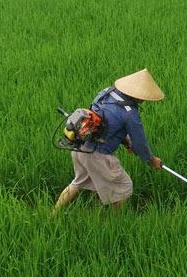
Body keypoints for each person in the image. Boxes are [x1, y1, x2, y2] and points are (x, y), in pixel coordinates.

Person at [53, 68, 164, 213]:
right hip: (97, 155)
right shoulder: (131, 113)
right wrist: (151, 159)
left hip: (80, 147)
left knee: (78, 183)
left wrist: (125, 141)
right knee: (123, 187)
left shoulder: (105, 93)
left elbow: (105, 123)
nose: (143, 100)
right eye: (143, 97)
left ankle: (53, 214)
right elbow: (140, 143)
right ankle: (115, 223)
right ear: (137, 95)